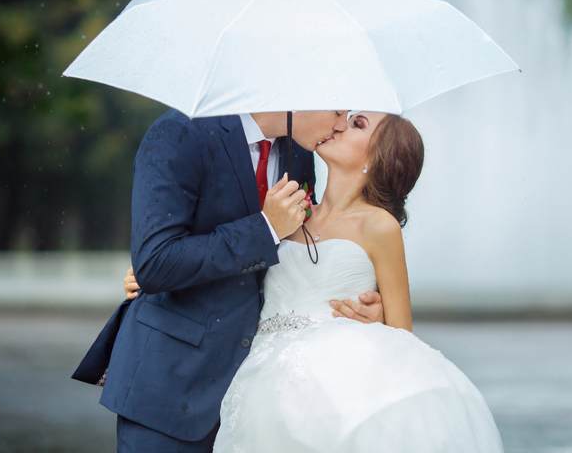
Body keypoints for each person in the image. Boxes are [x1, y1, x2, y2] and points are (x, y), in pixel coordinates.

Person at [124, 111, 505, 452]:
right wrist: (155, 269)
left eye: (354, 122)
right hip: (233, 381)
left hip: (329, 388)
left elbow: (402, 337)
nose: (339, 121)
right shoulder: (292, 205)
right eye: (342, 113)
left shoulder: (312, 171)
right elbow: (238, 249)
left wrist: (378, 320)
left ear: (377, 158)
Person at [73, 109, 385, 452]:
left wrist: (363, 306)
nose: (340, 124)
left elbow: (299, 254)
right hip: (173, 387)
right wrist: (264, 228)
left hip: (261, 400)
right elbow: (156, 260)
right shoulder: (180, 133)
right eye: (337, 111)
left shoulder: (300, 154)